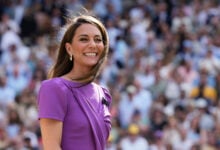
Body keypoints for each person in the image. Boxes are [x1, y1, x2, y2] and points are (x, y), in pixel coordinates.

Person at [37, 13, 112, 150]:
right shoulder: (54, 88)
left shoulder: (103, 93)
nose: (92, 45)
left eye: (98, 40)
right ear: (69, 48)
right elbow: (51, 147)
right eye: (84, 39)